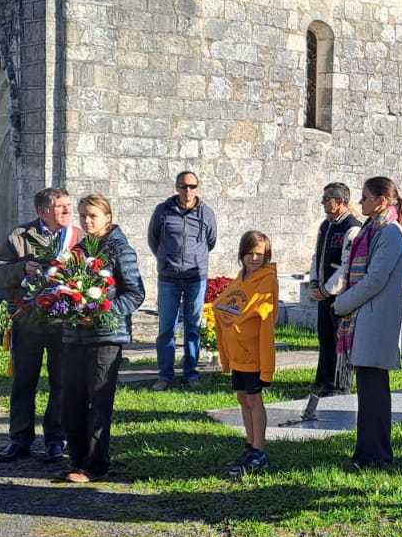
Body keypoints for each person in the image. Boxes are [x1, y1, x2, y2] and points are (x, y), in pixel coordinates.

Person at [60, 194, 145, 483]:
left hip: (106, 336)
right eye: (83, 215)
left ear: (107, 217)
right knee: (70, 400)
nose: (87, 221)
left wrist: (102, 313)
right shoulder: (80, 248)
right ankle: (77, 459)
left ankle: (95, 465)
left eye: (93, 216)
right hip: (75, 336)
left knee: (98, 402)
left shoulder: (120, 249)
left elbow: (135, 293)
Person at [0, 185, 75, 464]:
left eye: (68, 205)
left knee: (61, 383)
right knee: (24, 383)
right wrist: (21, 268)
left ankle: (55, 440)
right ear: (42, 211)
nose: (67, 211)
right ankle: (19, 440)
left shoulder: (78, 237)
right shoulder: (20, 236)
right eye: (60, 206)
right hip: (28, 323)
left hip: (64, 323)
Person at [331, 175, 402, 467]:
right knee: (369, 391)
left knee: (374, 392)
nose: (361, 202)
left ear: (381, 201)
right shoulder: (373, 228)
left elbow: (375, 279)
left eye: (365, 197)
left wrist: (342, 303)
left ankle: (376, 453)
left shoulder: (389, 232)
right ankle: (368, 451)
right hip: (367, 317)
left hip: (375, 320)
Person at [214, 230, 278, 477]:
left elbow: (260, 311)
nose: (254, 258)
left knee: (254, 399)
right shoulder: (241, 278)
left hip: (253, 352)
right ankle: (250, 445)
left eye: (259, 254)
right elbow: (227, 300)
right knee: (243, 398)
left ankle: (259, 450)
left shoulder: (267, 279)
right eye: (249, 253)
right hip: (238, 351)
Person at [147, 170, 218, 391]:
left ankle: (191, 374)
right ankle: (165, 375)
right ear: (177, 187)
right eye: (183, 186)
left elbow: (211, 241)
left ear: (198, 188)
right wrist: (166, 259)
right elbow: (153, 239)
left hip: (196, 277)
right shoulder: (162, 211)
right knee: (166, 328)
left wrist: (195, 258)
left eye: (192, 186)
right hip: (168, 278)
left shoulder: (206, 213)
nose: (188, 191)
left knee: (193, 328)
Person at [307, 183, 360, 393]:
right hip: (323, 293)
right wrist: (314, 283)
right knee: (326, 336)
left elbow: (347, 265)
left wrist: (328, 289)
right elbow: (317, 257)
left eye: (326, 199)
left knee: (340, 339)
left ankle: (340, 384)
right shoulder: (326, 225)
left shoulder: (352, 227)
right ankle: (325, 378)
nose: (323, 203)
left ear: (339, 201)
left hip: (340, 295)